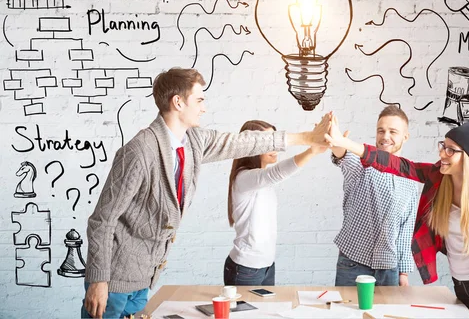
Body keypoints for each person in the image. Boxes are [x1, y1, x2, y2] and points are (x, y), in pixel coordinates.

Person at [82, 68, 329, 319]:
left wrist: (307, 137)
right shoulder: (140, 150)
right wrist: (98, 280)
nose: (204, 108)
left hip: (143, 278)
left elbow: (242, 142)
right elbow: (102, 220)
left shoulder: (193, 142)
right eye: (199, 100)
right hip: (113, 282)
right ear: (178, 102)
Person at [325, 115, 469, 318]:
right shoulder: (437, 178)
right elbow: (396, 164)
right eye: (442, 146)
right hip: (460, 285)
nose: (442, 153)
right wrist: (344, 143)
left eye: (450, 150)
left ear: (468, 157)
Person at [224, 120, 326, 286]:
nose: (275, 147)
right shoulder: (244, 178)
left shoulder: (260, 180)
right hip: (246, 269)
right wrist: (311, 151)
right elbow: (277, 173)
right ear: (250, 147)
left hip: (267, 266)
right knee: (245, 313)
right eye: (268, 142)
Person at [330, 106, 419, 286]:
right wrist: (337, 141)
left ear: (405, 137)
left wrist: (404, 273)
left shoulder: (411, 179)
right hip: (353, 263)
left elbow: (405, 229)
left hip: (389, 268)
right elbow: (344, 155)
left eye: (393, 131)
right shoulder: (363, 164)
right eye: (381, 131)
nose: (385, 136)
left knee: (387, 314)